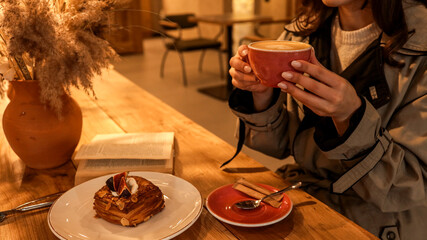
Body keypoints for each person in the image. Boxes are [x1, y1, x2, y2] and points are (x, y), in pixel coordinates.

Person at [228, 0, 426, 239]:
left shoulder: (420, 43)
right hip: (306, 202)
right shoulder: (302, 32)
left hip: (381, 223)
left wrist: (350, 118)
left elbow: (411, 187)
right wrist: (261, 95)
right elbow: (280, 145)